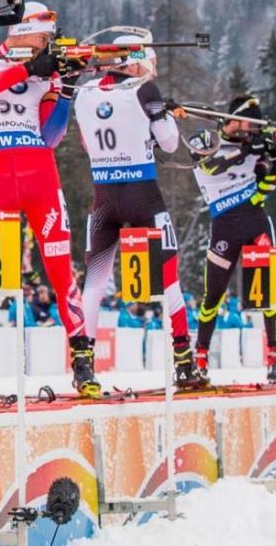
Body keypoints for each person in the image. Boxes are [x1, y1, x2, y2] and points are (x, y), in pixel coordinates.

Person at [0, 2, 87, 397]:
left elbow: (51, 136)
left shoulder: (49, 71)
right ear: (21, 30)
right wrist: (29, 69)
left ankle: (82, 361)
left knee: (61, 273)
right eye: (43, 37)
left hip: (40, 177)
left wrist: (66, 93)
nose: (47, 44)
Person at [73, 32, 194, 392]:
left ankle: (83, 366)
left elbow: (87, 140)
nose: (152, 70)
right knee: (169, 278)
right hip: (143, 196)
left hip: (103, 197)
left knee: (93, 284)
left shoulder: (86, 92)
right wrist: (163, 117)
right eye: (150, 63)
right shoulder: (145, 90)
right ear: (135, 60)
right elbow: (170, 144)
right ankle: (185, 362)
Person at [184, 95, 276, 383]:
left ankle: (274, 357)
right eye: (249, 125)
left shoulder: (253, 146)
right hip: (224, 224)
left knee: (267, 294)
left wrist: (275, 165)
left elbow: (263, 189)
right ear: (234, 120)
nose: (252, 132)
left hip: (255, 219)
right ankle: (200, 357)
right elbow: (210, 166)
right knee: (213, 295)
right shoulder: (205, 139)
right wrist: (245, 152)